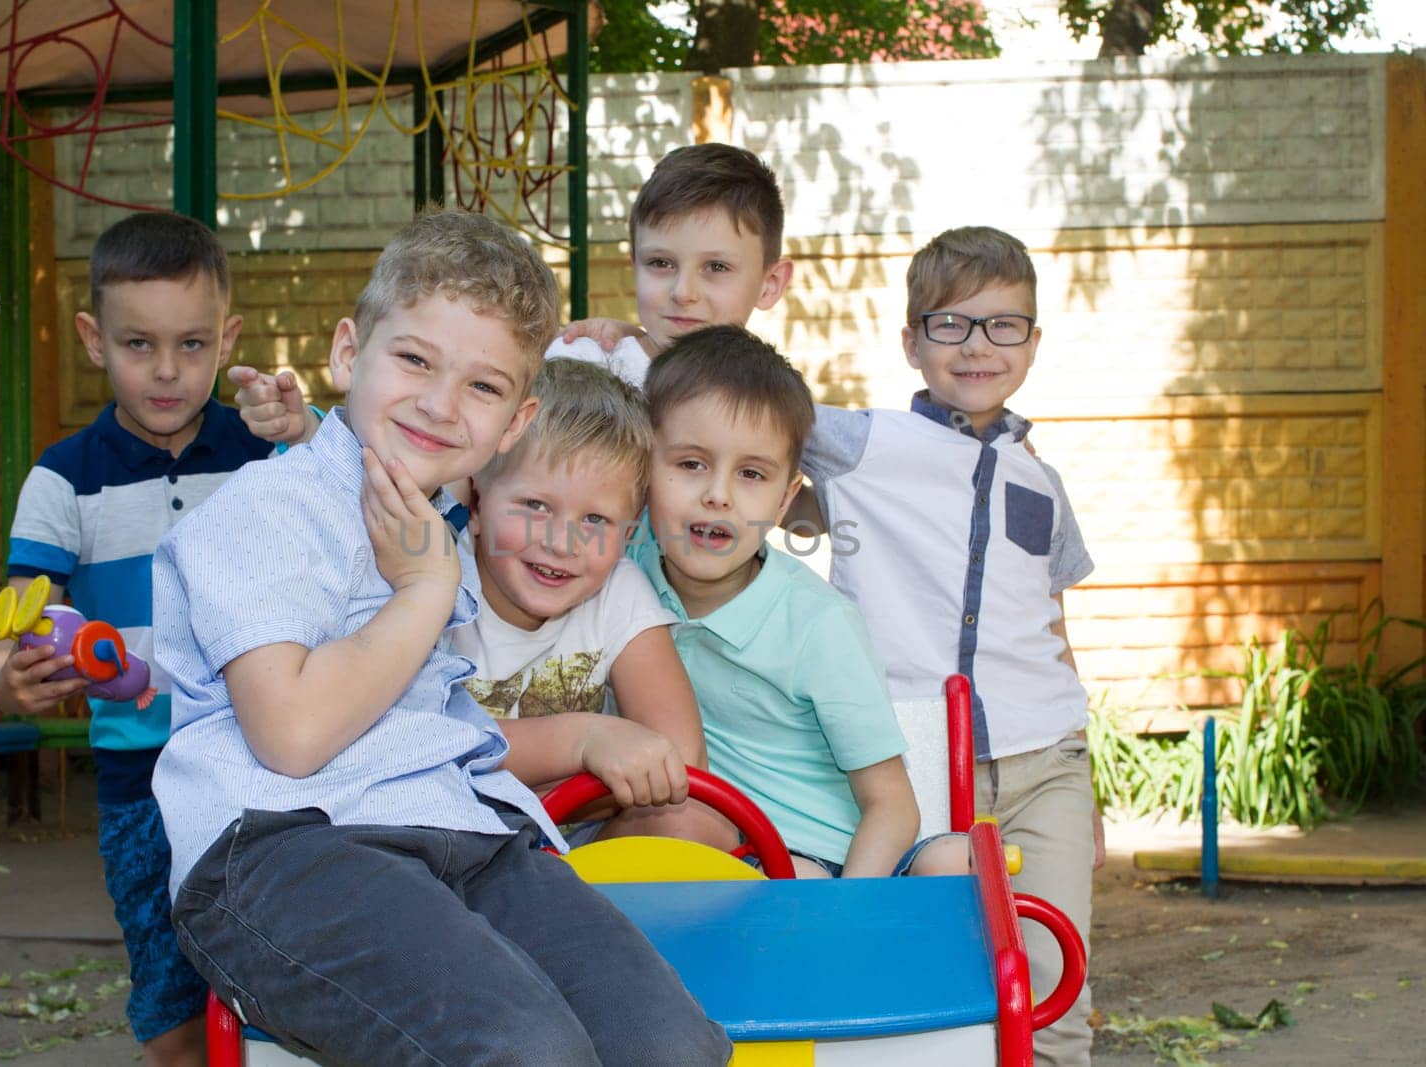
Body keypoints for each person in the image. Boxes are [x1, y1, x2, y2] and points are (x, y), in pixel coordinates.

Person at [150, 209, 730, 1067]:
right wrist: (425, 591)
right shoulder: (265, 509)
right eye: (415, 359)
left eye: (483, 386)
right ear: (350, 354)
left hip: (459, 829)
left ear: (516, 419)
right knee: (523, 1049)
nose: (438, 402)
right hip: (283, 843)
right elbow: (292, 733)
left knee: (672, 1043)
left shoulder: (441, 526)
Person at [795, 225, 1101, 1064]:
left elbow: (1053, 626)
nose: (977, 345)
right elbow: (738, 397)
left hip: (1046, 763)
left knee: (1051, 989)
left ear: (1033, 342)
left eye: (1004, 324)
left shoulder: (1041, 478)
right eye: (950, 323)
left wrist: (1090, 780)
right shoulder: (862, 444)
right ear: (911, 340)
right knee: (920, 989)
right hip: (911, 761)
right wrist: (625, 345)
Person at [0, 211, 268, 1066]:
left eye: (191, 344)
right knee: (171, 1006)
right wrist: (12, 679)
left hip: (267, 762)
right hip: (138, 781)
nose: (168, 370)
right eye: (139, 345)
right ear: (92, 338)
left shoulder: (268, 458)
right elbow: (9, 629)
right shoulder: (62, 480)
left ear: (228, 338)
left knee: (281, 987)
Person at [630, 324, 968, 880]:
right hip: (733, 855)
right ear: (644, 465)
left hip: (842, 863)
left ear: (787, 498)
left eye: (752, 474)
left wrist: (838, 914)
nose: (717, 494)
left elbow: (892, 807)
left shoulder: (818, 625)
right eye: (690, 464)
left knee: (954, 859)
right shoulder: (624, 566)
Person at [228, 142, 794, 439]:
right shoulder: (585, 358)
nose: (683, 293)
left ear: (770, 283)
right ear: (634, 264)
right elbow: (453, 432)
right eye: (662, 263)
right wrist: (306, 429)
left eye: (716, 268)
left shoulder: (773, 400)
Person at [458, 357, 710, 833]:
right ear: (476, 502)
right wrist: (581, 740)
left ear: (629, 534)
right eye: (535, 505)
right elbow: (419, 742)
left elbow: (679, 759)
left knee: (695, 820)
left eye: (595, 520)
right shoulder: (439, 581)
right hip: (443, 841)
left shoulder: (618, 591)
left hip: (573, 840)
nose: (561, 543)